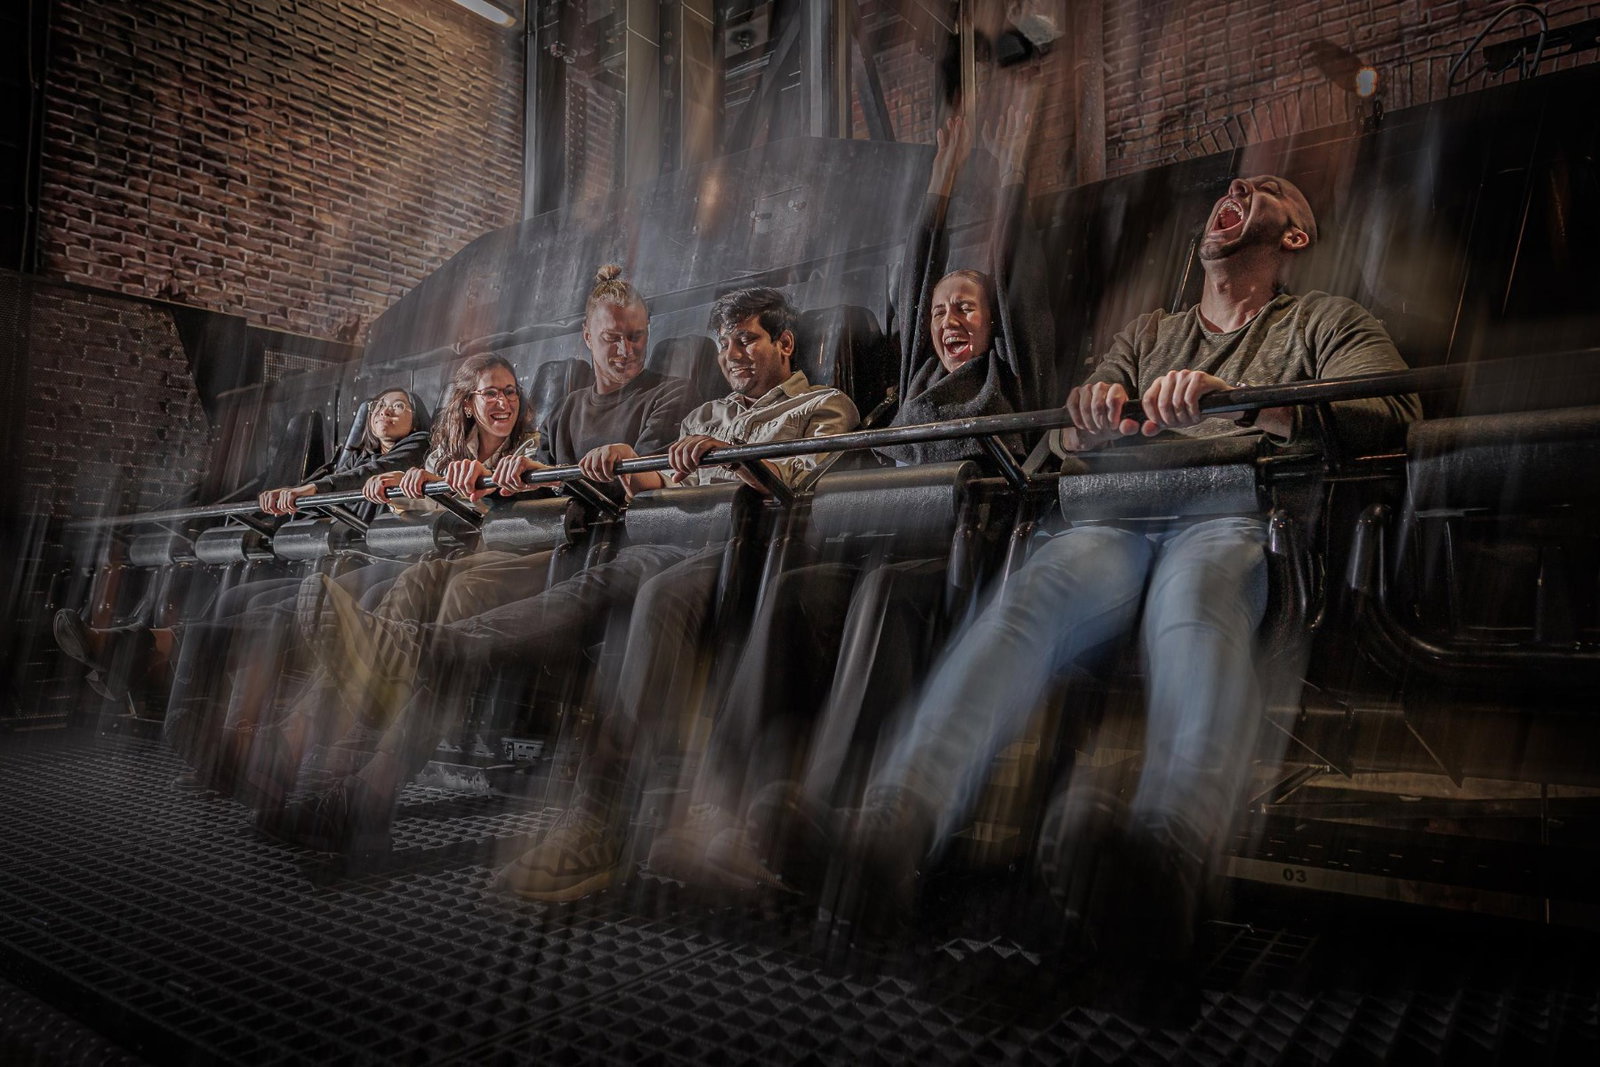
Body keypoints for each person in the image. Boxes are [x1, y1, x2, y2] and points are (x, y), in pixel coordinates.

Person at [835, 174, 1421, 962]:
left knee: (1197, 601)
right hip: (1118, 515)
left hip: (1230, 509)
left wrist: (1253, 402)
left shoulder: (1324, 320)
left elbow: (1393, 411)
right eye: (1237, 183)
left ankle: (1171, 850)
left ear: (1295, 236)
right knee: (1031, 597)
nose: (1240, 184)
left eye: (1268, 189)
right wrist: (1087, 422)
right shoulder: (1149, 335)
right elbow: (1068, 435)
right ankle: (894, 825)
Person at [273, 288, 859, 878]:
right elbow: (652, 481)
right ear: (587, 340)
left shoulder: (824, 406)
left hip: (745, 547)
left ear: (785, 342)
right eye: (725, 344)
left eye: (747, 340)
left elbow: (800, 483)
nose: (731, 354)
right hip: (660, 539)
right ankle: (368, 773)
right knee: (511, 587)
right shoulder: (706, 415)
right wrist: (591, 469)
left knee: (583, 591)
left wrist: (724, 457)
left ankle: (593, 815)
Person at [645, 99, 1056, 891]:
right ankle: (725, 803)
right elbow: (917, 269)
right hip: (875, 537)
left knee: (878, 597)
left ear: (994, 319)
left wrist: (1004, 171)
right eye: (940, 311)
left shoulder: (1008, 373)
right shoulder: (915, 383)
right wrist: (939, 181)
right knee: (794, 591)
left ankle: (833, 808)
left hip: (957, 551)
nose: (949, 319)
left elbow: (1006, 279)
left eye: (966, 307)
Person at [51, 384, 430, 710]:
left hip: (374, 557)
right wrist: (277, 502)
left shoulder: (416, 448)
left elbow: (364, 477)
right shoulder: (354, 456)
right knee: (236, 598)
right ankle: (168, 681)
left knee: (280, 612)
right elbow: (329, 478)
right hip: (333, 556)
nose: (385, 411)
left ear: (417, 421)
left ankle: (143, 650)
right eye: (379, 406)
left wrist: (307, 490)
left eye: (399, 406)